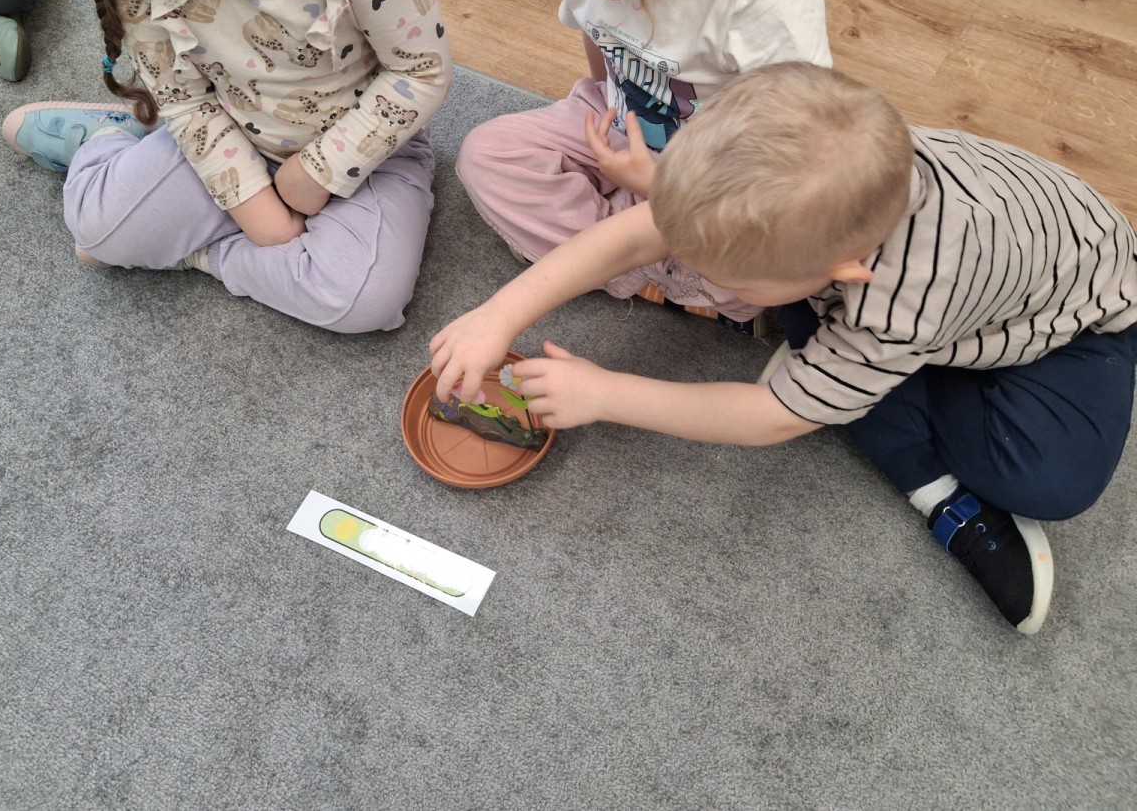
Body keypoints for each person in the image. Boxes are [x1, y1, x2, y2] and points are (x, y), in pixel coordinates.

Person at [430, 62, 1137, 635]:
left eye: (720, 273)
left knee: (1050, 484)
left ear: (845, 269)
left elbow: (771, 418)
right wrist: (499, 314)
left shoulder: (900, 300)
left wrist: (606, 393)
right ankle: (843, 380)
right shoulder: (826, 184)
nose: (695, 275)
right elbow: (641, 233)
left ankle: (914, 462)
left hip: (1071, 331)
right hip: (944, 289)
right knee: (807, 339)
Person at [3, 0, 450, 333]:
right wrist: (260, 216)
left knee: (365, 299)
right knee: (96, 232)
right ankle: (112, 137)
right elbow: (185, 101)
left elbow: (422, 71)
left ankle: (194, 250)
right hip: (226, 129)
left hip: (372, 149)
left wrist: (318, 173)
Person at [456, 0, 830, 332]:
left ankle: (615, 255)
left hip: (716, 175)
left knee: (785, 245)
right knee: (486, 154)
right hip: (617, 120)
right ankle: (664, 275)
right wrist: (607, 116)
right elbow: (598, 36)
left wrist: (661, 187)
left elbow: (794, 159)